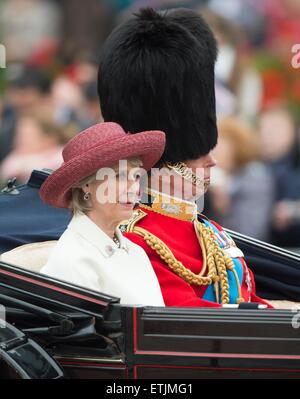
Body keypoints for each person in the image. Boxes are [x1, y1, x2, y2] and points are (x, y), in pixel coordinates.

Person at [98, 7, 271, 308]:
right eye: (197, 153)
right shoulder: (137, 239)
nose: (212, 161)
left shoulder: (209, 232)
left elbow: (249, 301)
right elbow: (192, 322)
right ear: (166, 160)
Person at [39, 121, 166, 306]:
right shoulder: (73, 259)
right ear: (86, 185)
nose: (134, 189)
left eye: (137, 176)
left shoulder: (135, 251)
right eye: (120, 176)